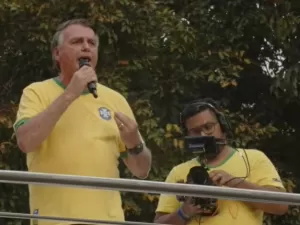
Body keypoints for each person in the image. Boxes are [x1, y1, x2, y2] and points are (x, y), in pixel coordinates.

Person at [13, 19, 152, 225]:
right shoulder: (36, 92)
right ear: (57, 54)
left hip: (108, 220)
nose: (86, 46)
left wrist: (134, 143)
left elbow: (142, 170)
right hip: (54, 220)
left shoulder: (115, 99)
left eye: (92, 43)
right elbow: (26, 142)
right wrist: (70, 93)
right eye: (77, 41)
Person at [154, 98, 288, 225]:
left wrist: (235, 183)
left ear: (223, 126)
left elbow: (281, 206)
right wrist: (183, 213)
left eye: (208, 127)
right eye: (195, 132)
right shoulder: (178, 171)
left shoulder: (254, 158)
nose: (203, 135)